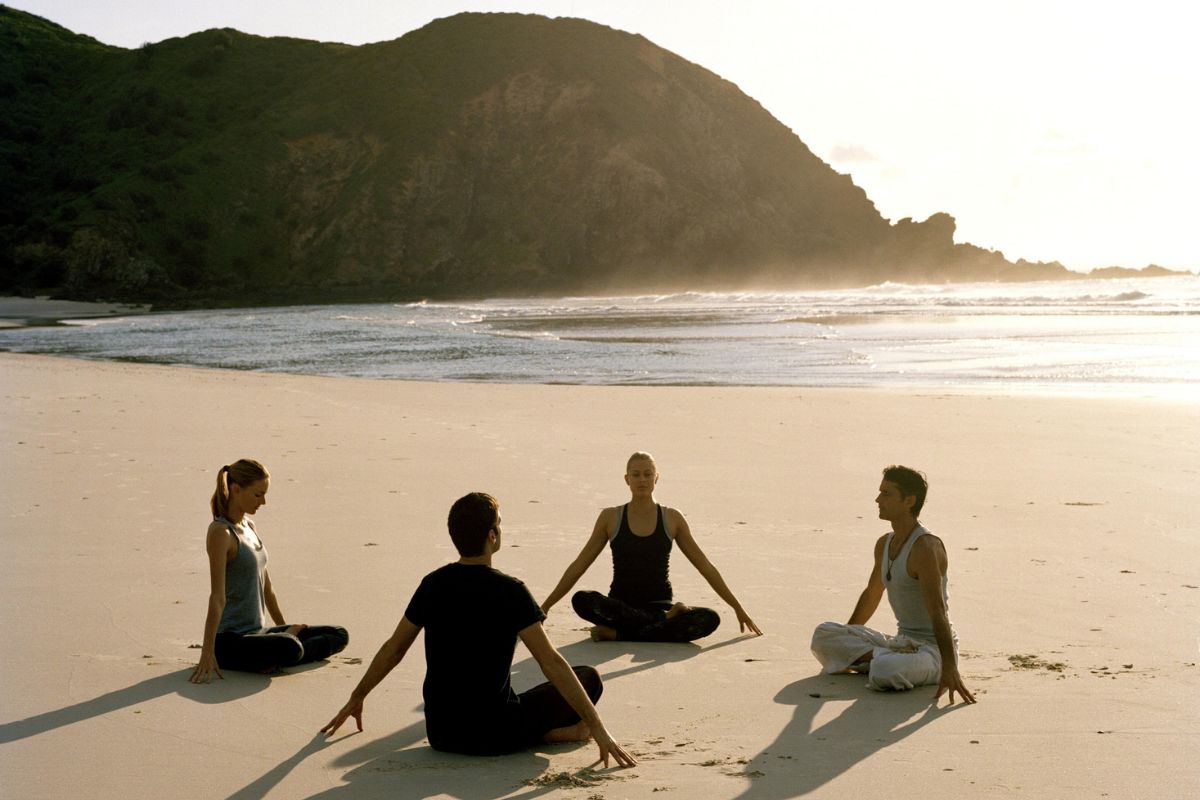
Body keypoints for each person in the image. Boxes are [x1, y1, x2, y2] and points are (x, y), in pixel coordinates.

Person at [321, 492, 636, 766]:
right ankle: (562, 733)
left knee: (517, 699)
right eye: (498, 523)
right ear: (492, 536)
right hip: (496, 735)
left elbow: (394, 649)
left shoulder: (433, 584)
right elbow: (550, 662)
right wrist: (597, 727)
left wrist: (357, 696)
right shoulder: (512, 591)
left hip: (442, 734)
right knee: (588, 678)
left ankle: (551, 730)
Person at [540, 452, 762, 643]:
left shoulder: (672, 518)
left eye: (648, 474)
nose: (642, 479)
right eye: (636, 474)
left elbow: (705, 566)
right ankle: (658, 625)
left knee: (710, 618)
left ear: (657, 478)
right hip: (620, 607)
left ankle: (621, 635)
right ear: (627, 479)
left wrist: (737, 607)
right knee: (582, 599)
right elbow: (579, 565)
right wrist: (545, 607)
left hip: (659, 605)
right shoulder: (611, 517)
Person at [810, 465, 974, 704]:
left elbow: (938, 610)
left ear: (909, 501)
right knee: (823, 634)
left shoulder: (926, 547)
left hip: (931, 650)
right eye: (880, 492)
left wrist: (950, 667)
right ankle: (880, 657)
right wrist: (849, 639)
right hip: (899, 644)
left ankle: (882, 660)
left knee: (885, 670)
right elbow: (872, 593)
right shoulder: (884, 544)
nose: (878, 499)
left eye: (886, 494)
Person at [189, 459, 348, 683]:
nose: (263, 501)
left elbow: (268, 589)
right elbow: (217, 597)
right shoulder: (221, 533)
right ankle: (282, 652)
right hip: (230, 641)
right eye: (257, 494)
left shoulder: (250, 526)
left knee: (338, 634)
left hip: (259, 634)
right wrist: (207, 652)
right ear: (236, 489)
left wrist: (284, 628)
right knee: (289, 646)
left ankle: (278, 654)